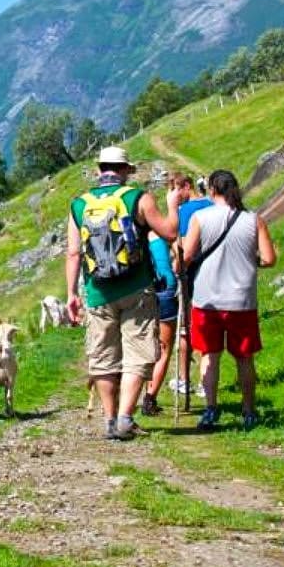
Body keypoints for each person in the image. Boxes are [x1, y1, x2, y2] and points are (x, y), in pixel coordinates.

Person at [66, 146, 180, 439]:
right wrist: (173, 204)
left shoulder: (79, 204)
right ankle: (126, 419)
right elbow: (169, 232)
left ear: (100, 168)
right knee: (138, 352)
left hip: (97, 291)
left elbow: (73, 254)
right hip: (136, 287)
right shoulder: (137, 198)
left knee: (103, 356)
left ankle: (109, 420)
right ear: (126, 170)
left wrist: (71, 294)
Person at [182, 169, 276, 432]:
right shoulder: (253, 219)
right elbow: (269, 259)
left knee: (209, 355)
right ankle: (248, 411)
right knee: (244, 358)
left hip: (207, 299)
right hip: (241, 300)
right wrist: (249, 260)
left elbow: (186, 256)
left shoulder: (200, 218)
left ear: (212, 190)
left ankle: (211, 408)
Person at [172, 173, 212, 399]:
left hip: (190, 275)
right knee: (206, 329)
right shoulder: (212, 205)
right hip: (213, 276)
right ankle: (205, 383)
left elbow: (181, 246)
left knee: (186, 330)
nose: (176, 195)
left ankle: (184, 381)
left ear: (187, 186)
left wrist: (177, 267)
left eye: (178, 189)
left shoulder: (183, 212)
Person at [140, 227, 179, 416]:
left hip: (141, 292)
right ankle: (149, 399)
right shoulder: (163, 233)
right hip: (166, 288)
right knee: (163, 349)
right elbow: (180, 258)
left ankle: (126, 400)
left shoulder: (131, 236)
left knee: (140, 347)